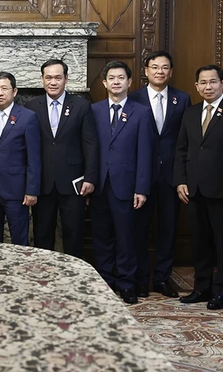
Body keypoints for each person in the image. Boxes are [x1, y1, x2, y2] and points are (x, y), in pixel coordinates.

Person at [175, 64, 223, 310]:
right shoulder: (190, 112)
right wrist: (181, 181)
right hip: (194, 190)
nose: (208, 87)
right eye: (203, 83)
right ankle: (201, 288)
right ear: (196, 86)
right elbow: (181, 150)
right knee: (200, 242)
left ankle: (220, 291)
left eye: (213, 82)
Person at [91, 61, 154, 305]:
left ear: (129, 82)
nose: (116, 82)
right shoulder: (94, 110)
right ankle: (106, 281)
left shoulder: (141, 112)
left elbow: (145, 153)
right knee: (101, 235)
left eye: (121, 77)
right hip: (99, 186)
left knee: (126, 236)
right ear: (104, 83)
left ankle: (127, 283)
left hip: (127, 186)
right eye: (111, 78)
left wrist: (141, 188)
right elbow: (90, 149)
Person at [129, 51, 191, 299]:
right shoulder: (133, 98)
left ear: (171, 72)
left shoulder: (182, 99)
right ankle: (141, 279)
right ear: (146, 70)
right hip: (140, 176)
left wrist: (181, 177)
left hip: (170, 176)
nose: (160, 72)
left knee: (168, 229)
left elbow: (184, 140)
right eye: (155, 67)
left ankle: (163, 279)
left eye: (165, 67)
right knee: (139, 230)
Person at [28, 58, 98, 258]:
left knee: (73, 235)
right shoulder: (32, 106)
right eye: (48, 77)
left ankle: (73, 280)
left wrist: (90, 177)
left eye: (58, 77)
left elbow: (90, 144)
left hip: (74, 182)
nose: (53, 82)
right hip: (42, 183)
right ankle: (43, 278)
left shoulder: (82, 106)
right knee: (42, 235)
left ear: (66, 79)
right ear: (42, 80)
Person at [0, 72, 41, 245]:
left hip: (16, 190)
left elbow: (34, 157)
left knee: (19, 239)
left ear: (15, 91)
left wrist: (31, 190)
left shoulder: (27, 117)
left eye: (4, 88)